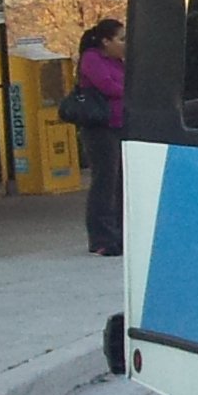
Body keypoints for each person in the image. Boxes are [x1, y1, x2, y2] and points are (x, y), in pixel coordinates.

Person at [76, 18, 127, 256]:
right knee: (104, 183)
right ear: (106, 41)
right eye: (121, 39)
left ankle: (119, 232)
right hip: (100, 129)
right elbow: (108, 87)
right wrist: (132, 90)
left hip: (121, 126)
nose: (125, 44)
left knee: (119, 182)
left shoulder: (119, 62)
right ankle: (101, 238)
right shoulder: (92, 59)